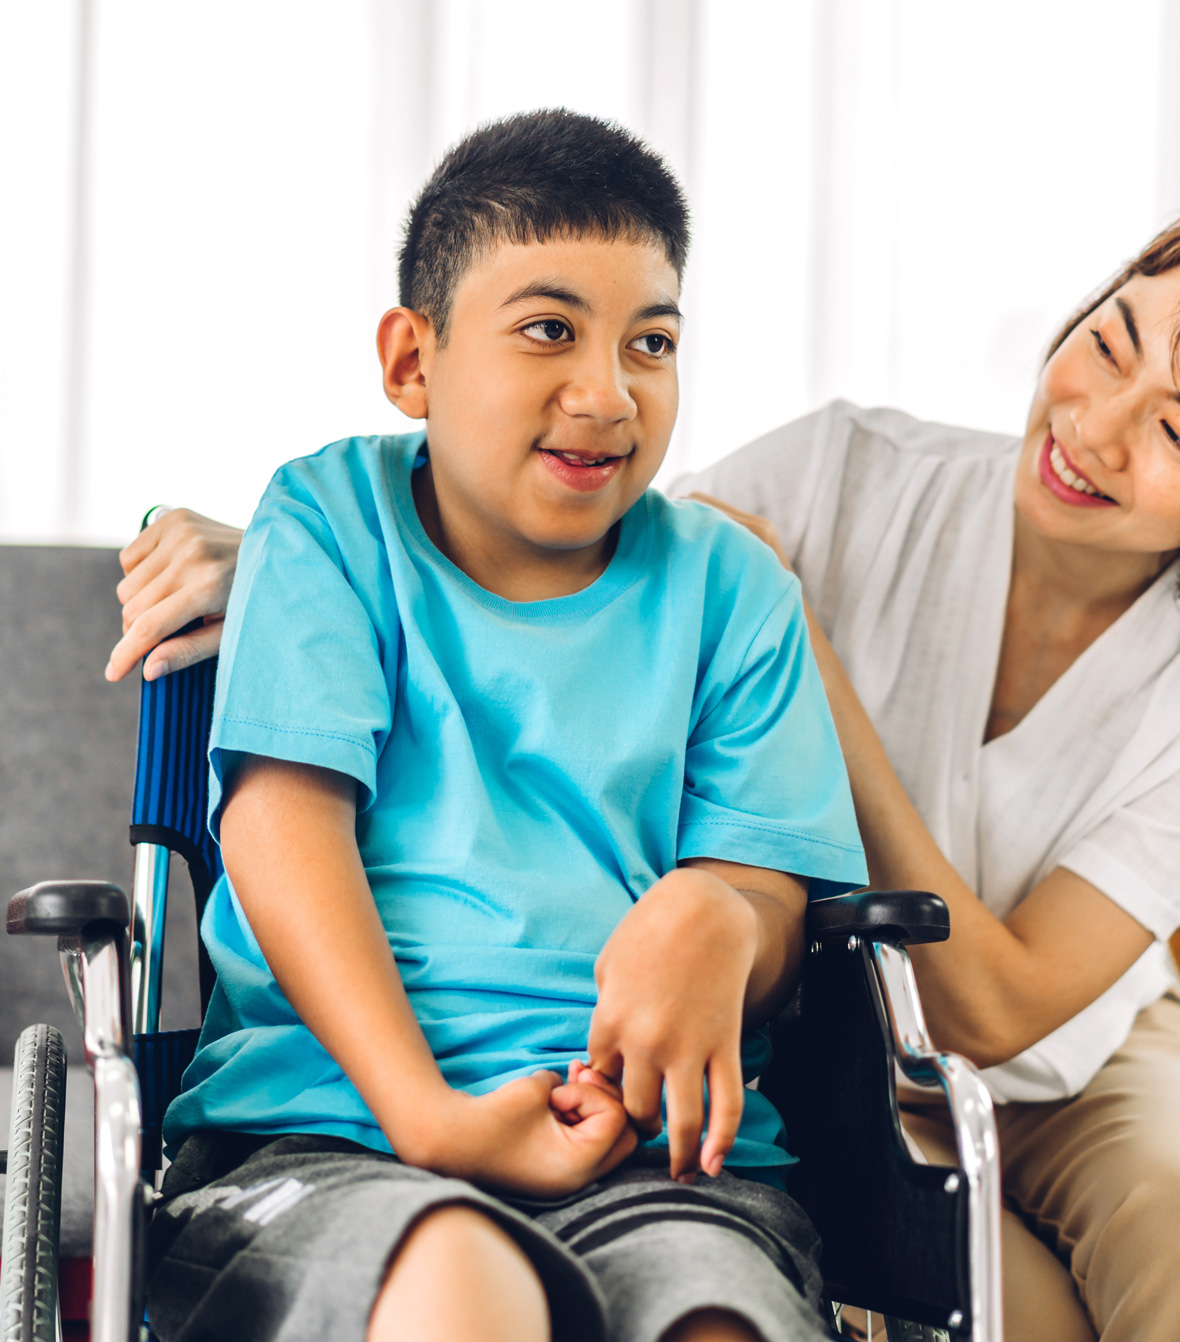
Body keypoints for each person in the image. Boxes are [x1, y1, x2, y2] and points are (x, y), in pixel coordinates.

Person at [113, 186, 1180, 1342]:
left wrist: (814, 667)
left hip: (1064, 1040)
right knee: (1000, 1307)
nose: (1093, 423)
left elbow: (1000, 1001)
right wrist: (282, 557)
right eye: (1106, 342)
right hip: (828, 1018)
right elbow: (555, 514)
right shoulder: (849, 468)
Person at [138, 110, 868, 1342]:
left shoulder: (732, 589)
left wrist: (725, 914)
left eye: (653, 342)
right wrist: (427, 1113)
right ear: (412, 361)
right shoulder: (325, 521)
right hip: (331, 1128)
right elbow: (278, 824)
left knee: (715, 1324)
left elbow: (778, 910)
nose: (607, 391)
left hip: (657, 1153)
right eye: (548, 330)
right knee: (457, 1292)